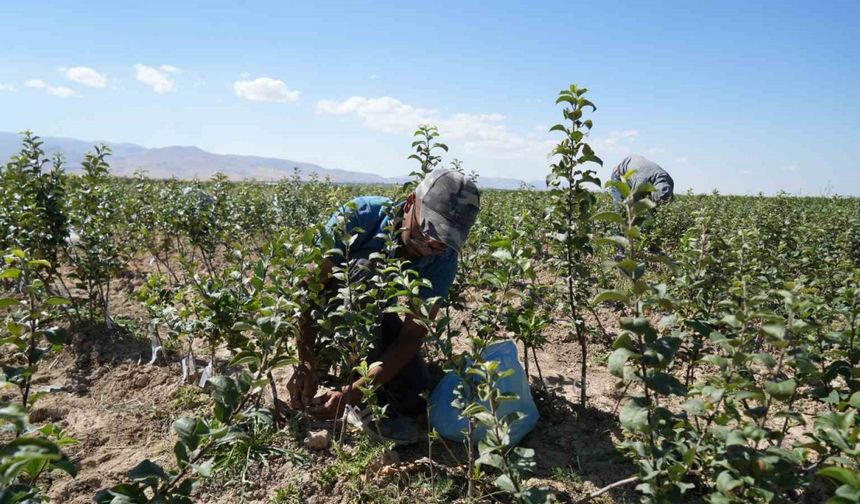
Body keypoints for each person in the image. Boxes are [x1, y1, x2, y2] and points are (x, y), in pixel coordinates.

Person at [286, 168, 480, 442]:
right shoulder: (361, 215)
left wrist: (352, 392)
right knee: (361, 273)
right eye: (428, 231)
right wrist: (305, 360)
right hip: (334, 313)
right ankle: (338, 370)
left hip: (376, 319)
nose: (432, 245)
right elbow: (308, 288)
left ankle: (357, 385)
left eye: (443, 241)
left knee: (416, 395)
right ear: (411, 203)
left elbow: (412, 335)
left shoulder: (443, 259)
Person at [610, 154, 674, 203]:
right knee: (621, 207)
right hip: (619, 175)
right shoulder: (641, 184)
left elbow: (668, 199)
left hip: (638, 169)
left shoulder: (670, 182)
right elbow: (634, 203)